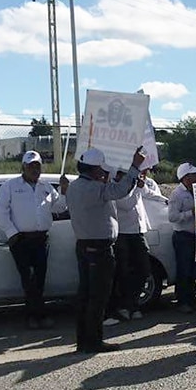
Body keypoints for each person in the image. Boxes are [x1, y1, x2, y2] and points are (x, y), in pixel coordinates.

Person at [67, 146, 144, 353]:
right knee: (98, 297)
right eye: (101, 169)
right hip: (98, 248)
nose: (104, 173)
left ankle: (83, 339)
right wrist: (134, 167)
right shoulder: (94, 188)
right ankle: (93, 340)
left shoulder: (75, 187)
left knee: (85, 294)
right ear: (94, 169)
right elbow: (120, 191)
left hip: (84, 245)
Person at [0, 150, 68, 330]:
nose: (34, 169)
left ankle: (37, 315)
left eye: (37, 166)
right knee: (28, 280)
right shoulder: (10, 186)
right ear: (23, 167)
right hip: (21, 240)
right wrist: (12, 233)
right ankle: (34, 316)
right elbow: (0, 212)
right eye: (30, 166)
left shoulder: (46, 187)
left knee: (40, 279)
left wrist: (63, 191)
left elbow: (59, 206)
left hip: (41, 240)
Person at [113, 168, 168, 321]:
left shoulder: (134, 187)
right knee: (123, 272)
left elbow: (147, 194)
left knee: (144, 269)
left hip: (138, 232)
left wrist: (163, 199)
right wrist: (136, 187)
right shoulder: (114, 189)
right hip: (123, 233)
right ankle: (125, 306)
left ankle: (132, 303)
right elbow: (127, 204)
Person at [168, 162, 196, 312]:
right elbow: (172, 217)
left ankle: (192, 299)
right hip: (183, 237)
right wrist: (190, 213)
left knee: (195, 269)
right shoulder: (177, 194)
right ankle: (183, 301)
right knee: (184, 269)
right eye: (193, 175)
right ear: (186, 178)